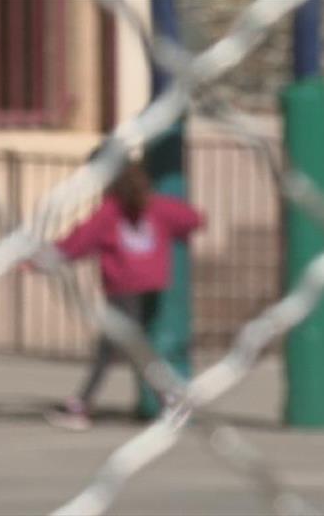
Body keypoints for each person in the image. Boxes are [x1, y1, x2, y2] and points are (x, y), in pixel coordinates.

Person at [27, 150, 204, 430]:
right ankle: (167, 401)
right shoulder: (154, 205)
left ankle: (83, 406)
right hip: (152, 283)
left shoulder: (110, 211)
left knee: (113, 348)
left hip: (123, 287)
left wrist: (41, 260)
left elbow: (79, 241)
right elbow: (193, 219)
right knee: (136, 347)